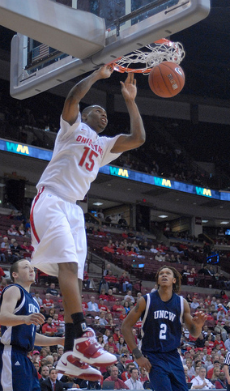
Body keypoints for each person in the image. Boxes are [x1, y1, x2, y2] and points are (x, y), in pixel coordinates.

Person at [30, 65, 145, 377]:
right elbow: (72, 97)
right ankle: (82, 335)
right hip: (52, 197)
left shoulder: (105, 145)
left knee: (77, 280)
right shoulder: (72, 128)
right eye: (97, 109)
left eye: (106, 113)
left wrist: (131, 101)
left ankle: (70, 355)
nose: (103, 114)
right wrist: (97, 76)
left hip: (74, 209)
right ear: (86, 114)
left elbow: (137, 138)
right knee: (68, 266)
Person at [121, 265, 207, 391]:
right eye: (161, 274)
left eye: (168, 273)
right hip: (153, 356)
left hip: (173, 355)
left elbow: (194, 333)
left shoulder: (182, 303)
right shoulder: (147, 300)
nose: (164, 275)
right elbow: (125, 326)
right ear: (157, 280)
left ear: (174, 280)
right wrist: (137, 355)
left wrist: (198, 326)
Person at [0, 259, 64, 391]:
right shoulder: (14, 290)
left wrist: (60, 340)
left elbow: (32, 335)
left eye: (32, 268)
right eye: (25, 267)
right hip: (11, 353)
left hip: (24, 357)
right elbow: (2, 317)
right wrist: (25, 319)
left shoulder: (34, 301)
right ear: (15, 274)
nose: (31, 270)